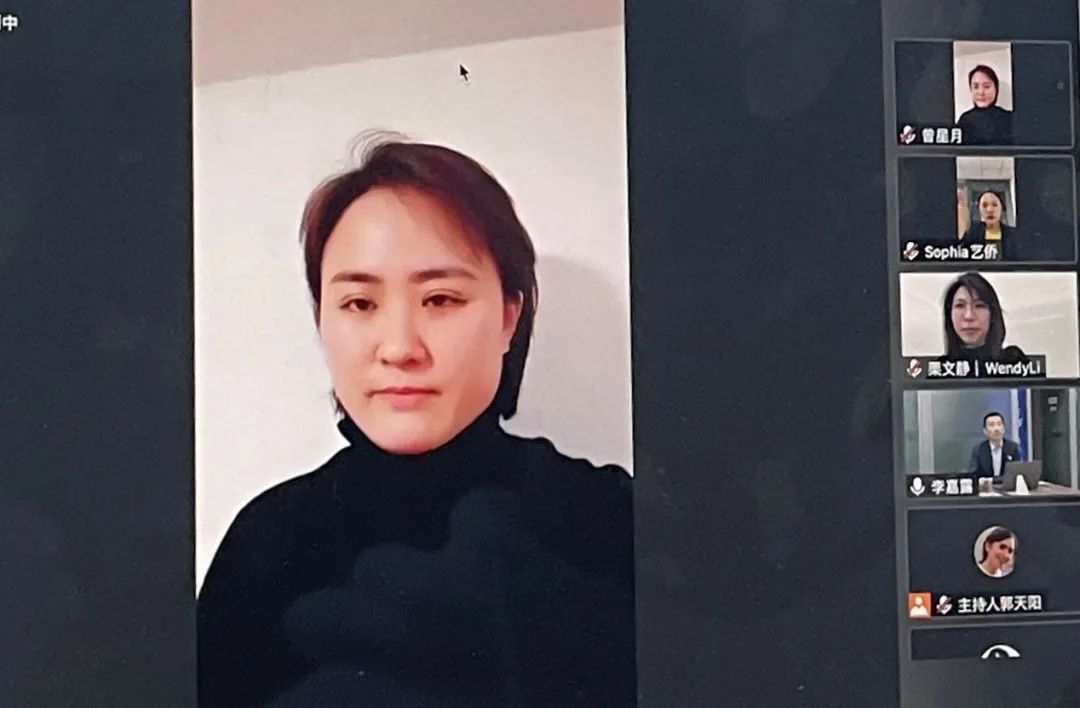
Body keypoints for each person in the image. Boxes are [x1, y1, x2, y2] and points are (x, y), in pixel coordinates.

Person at [196, 137, 635, 707]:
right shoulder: (264, 545)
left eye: (441, 299)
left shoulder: (611, 521)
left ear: (509, 318)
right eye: (360, 304)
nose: (400, 348)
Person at [938, 272, 1027, 363]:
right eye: (960, 305)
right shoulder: (941, 367)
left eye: (979, 305)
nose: (969, 316)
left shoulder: (1013, 362)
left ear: (992, 313)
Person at [956, 64, 1013, 146]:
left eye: (986, 86)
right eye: (976, 87)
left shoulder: (1009, 119)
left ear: (996, 88)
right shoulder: (965, 120)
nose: (981, 92)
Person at [957, 188, 1018, 259]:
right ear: (979, 210)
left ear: (1002, 208)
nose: (990, 210)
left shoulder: (1014, 235)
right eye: (984, 205)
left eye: (994, 205)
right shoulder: (973, 233)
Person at [968, 411, 1022, 479]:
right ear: (985, 431)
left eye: (999, 424)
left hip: (1007, 485)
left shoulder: (1013, 448)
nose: (996, 428)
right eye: (991, 425)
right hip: (985, 485)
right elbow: (973, 473)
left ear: (1004, 429)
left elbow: (1017, 473)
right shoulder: (979, 449)